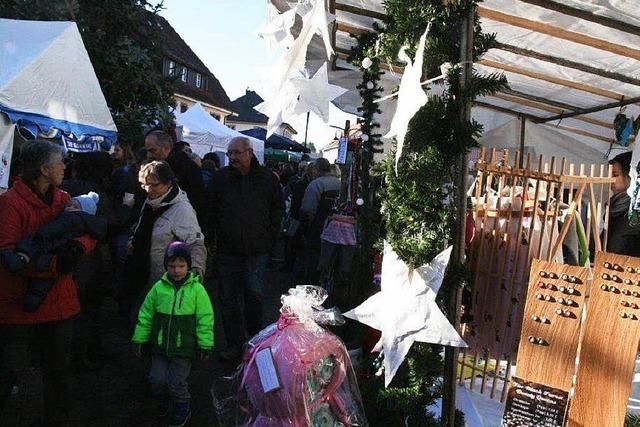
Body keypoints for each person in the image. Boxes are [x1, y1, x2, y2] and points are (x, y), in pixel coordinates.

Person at [0, 141, 96, 424]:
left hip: (59, 303)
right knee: (8, 372)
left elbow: (87, 229)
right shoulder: (9, 205)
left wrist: (78, 247)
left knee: (58, 373)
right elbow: (7, 254)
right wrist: (56, 263)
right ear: (44, 169)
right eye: (61, 162)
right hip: (18, 307)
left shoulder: (65, 198)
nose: (65, 166)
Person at [207, 136, 283, 360]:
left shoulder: (267, 179)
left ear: (250, 153)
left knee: (254, 296)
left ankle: (255, 343)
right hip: (228, 250)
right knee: (227, 299)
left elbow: (277, 210)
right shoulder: (220, 178)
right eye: (229, 153)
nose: (232, 157)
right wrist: (211, 239)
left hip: (257, 250)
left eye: (237, 153)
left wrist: (270, 238)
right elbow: (210, 210)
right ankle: (234, 345)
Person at [132, 241, 214, 427]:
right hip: (159, 345)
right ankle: (164, 400)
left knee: (177, 382)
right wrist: (140, 339)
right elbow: (146, 314)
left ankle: (181, 406)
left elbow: (205, 318)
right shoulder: (158, 288)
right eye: (172, 266)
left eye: (181, 266)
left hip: (183, 346)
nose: (176, 270)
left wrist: (205, 344)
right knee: (157, 379)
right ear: (166, 266)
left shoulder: (197, 290)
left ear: (188, 266)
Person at [125, 161, 206, 321]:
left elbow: (196, 244)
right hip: (141, 278)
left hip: (166, 282)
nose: (148, 190)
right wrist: (134, 240)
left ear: (168, 183)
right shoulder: (150, 203)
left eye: (154, 185)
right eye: (144, 185)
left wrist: (195, 274)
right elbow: (144, 229)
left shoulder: (182, 210)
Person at [0, 191, 105, 313]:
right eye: (69, 205)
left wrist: (41, 235)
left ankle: (21, 259)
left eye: (75, 207)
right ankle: (32, 302)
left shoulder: (70, 217)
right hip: (58, 255)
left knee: (32, 252)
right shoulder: (89, 225)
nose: (69, 208)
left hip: (49, 246)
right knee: (43, 283)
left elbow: (55, 228)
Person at [144, 130, 205, 221]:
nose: (149, 155)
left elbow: (197, 200)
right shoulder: (152, 166)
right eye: (147, 151)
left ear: (166, 148)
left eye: (153, 151)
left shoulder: (187, 167)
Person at [300, 158, 341, 285]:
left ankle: (312, 289)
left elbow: (307, 209)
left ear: (316, 170)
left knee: (313, 263)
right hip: (339, 232)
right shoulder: (340, 184)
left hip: (318, 230)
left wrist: (306, 227)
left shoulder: (316, 184)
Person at [606, 151, 640, 256]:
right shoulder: (614, 207)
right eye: (609, 174)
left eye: (615, 175)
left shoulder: (634, 211)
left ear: (630, 176)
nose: (610, 179)